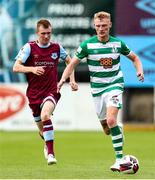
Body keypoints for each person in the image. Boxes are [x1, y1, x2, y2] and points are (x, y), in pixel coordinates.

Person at [57, 11, 144, 171]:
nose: (101, 29)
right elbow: (71, 64)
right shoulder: (87, 45)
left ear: (110, 25)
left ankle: (119, 160)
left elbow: (135, 58)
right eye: (98, 26)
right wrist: (65, 79)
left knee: (111, 121)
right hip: (97, 90)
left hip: (115, 85)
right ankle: (118, 129)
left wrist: (139, 70)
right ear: (94, 26)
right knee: (107, 129)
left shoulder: (118, 44)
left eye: (104, 26)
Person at [13, 19, 78, 165]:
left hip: (51, 91)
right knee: (43, 131)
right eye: (43, 33)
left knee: (46, 115)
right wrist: (32, 69)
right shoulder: (29, 48)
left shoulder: (56, 48)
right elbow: (16, 67)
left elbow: (70, 62)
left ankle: (51, 154)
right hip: (34, 94)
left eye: (49, 33)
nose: (47, 36)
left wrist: (71, 80)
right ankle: (45, 140)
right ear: (37, 33)